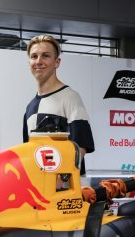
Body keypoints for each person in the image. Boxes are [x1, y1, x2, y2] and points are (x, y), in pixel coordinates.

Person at [23, 34, 94, 175]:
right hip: (40, 188)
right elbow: (29, 153)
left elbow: (81, 147)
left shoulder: (70, 97)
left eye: (46, 56)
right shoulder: (30, 107)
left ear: (57, 62)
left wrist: (61, 179)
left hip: (65, 191)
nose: (39, 61)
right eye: (34, 56)